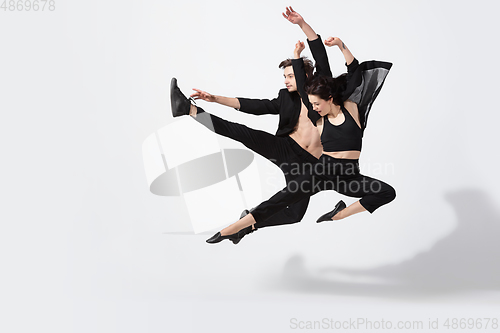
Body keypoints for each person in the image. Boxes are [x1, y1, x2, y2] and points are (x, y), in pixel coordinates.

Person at [206, 7, 396, 244]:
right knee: (282, 199)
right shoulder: (319, 117)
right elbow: (271, 103)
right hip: (321, 171)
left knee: (387, 192)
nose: (313, 108)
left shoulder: (353, 108)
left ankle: (339, 214)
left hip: (348, 175)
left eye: (317, 103)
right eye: (311, 104)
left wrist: (333, 41)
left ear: (329, 98)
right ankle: (232, 229)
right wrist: (296, 57)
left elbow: (350, 70)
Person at [170, 8, 337, 244]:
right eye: (285, 77)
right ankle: (189, 110)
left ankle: (244, 228)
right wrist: (215, 98)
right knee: (241, 133)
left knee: (295, 214)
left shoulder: (323, 91)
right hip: (286, 148)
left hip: (310, 166)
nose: (286, 80)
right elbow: (253, 106)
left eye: (290, 76)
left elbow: (320, 53)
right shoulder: (285, 98)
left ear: (304, 74)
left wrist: (302, 24)